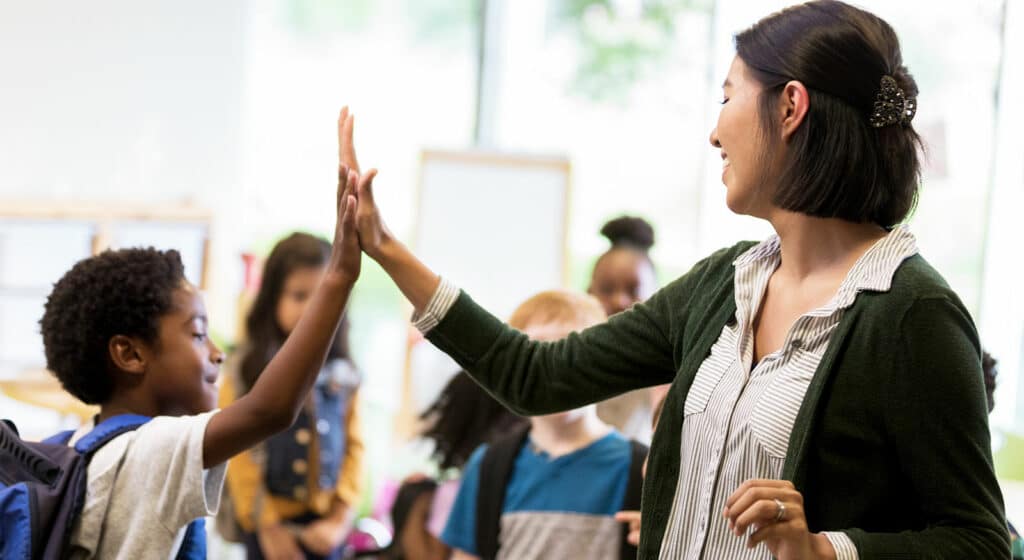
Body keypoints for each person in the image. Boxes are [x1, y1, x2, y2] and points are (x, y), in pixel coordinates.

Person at [335, 0, 1009, 556]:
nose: (714, 133)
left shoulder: (911, 312)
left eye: (726, 97)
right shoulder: (725, 284)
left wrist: (827, 549)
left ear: (791, 107)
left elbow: (979, 540)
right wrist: (387, 248)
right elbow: (536, 376)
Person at [37, 156, 372, 556]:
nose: (216, 354)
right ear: (129, 354)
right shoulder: (149, 449)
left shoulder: (87, 445)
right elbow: (271, 411)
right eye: (197, 335)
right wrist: (339, 277)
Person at [439, 290, 644, 560]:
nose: (555, 370)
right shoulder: (489, 466)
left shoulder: (644, 469)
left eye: (571, 349)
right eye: (537, 351)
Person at [219, 232, 365, 560]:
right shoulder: (245, 370)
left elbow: (355, 447)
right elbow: (237, 455)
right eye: (299, 295)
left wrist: (340, 519)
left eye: (322, 297)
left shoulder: (344, 372)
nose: (312, 309)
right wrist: (267, 527)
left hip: (326, 532)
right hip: (267, 529)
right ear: (272, 299)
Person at [589, 216, 660, 442]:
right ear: (589, 293)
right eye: (607, 290)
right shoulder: (573, 361)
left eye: (633, 289)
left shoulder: (669, 372)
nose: (620, 301)